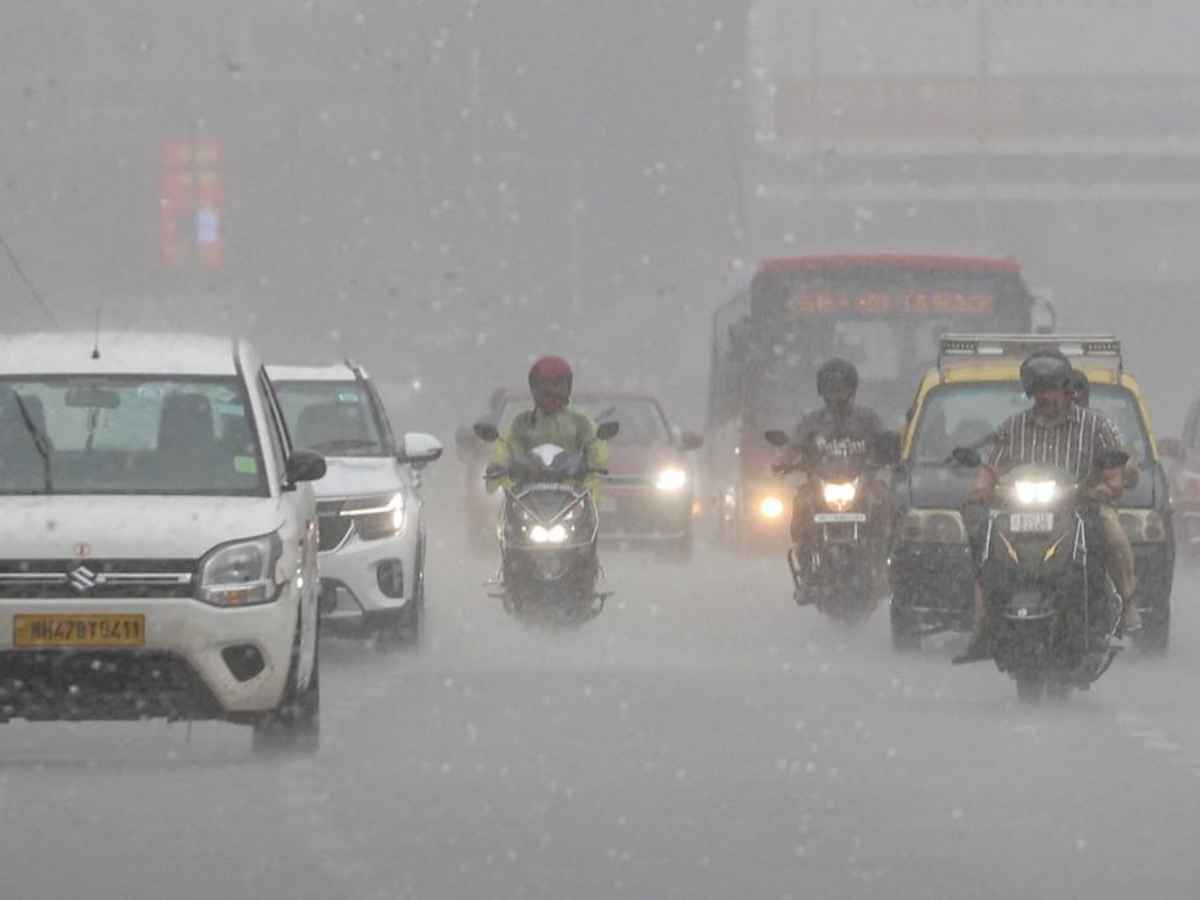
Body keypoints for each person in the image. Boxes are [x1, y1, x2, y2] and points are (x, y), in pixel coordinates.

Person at [953, 351, 1138, 664]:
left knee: (1108, 532)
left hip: (1080, 509)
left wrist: (1107, 487)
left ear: (1068, 391)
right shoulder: (1013, 427)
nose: (1045, 398)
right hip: (1020, 512)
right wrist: (979, 491)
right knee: (983, 541)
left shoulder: (1095, 425)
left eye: (1051, 389)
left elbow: (1118, 469)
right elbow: (991, 468)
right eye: (1038, 391)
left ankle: (1121, 608)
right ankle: (985, 623)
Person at [782, 358, 894, 599]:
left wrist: (889, 452)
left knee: (885, 499)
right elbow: (794, 445)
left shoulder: (867, 419)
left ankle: (884, 567)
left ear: (852, 388)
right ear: (821, 389)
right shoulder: (811, 422)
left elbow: (884, 442)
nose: (836, 393)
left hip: (861, 484)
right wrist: (784, 461)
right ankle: (807, 570)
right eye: (830, 387)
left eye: (841, 387)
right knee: (801, 501)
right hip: (821, 485)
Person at [486, 356, 608, 494]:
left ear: (568, 388)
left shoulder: (580, 422)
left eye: (558, 386)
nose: (552, 393)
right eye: (545, 388)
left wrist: (594, 469)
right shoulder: (521, 423)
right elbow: (505, 448)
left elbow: (595, 449)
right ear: (534, 389)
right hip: (527, 495)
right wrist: (498, 466)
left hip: (572, 495)